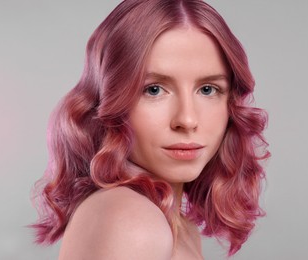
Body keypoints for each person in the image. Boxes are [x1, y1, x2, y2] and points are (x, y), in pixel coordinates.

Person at [31, 0, 270, 259]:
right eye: (154, 89)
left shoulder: (179, 228)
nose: (187, 120)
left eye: (207, 89)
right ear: (109, 100)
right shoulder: (130, 220)